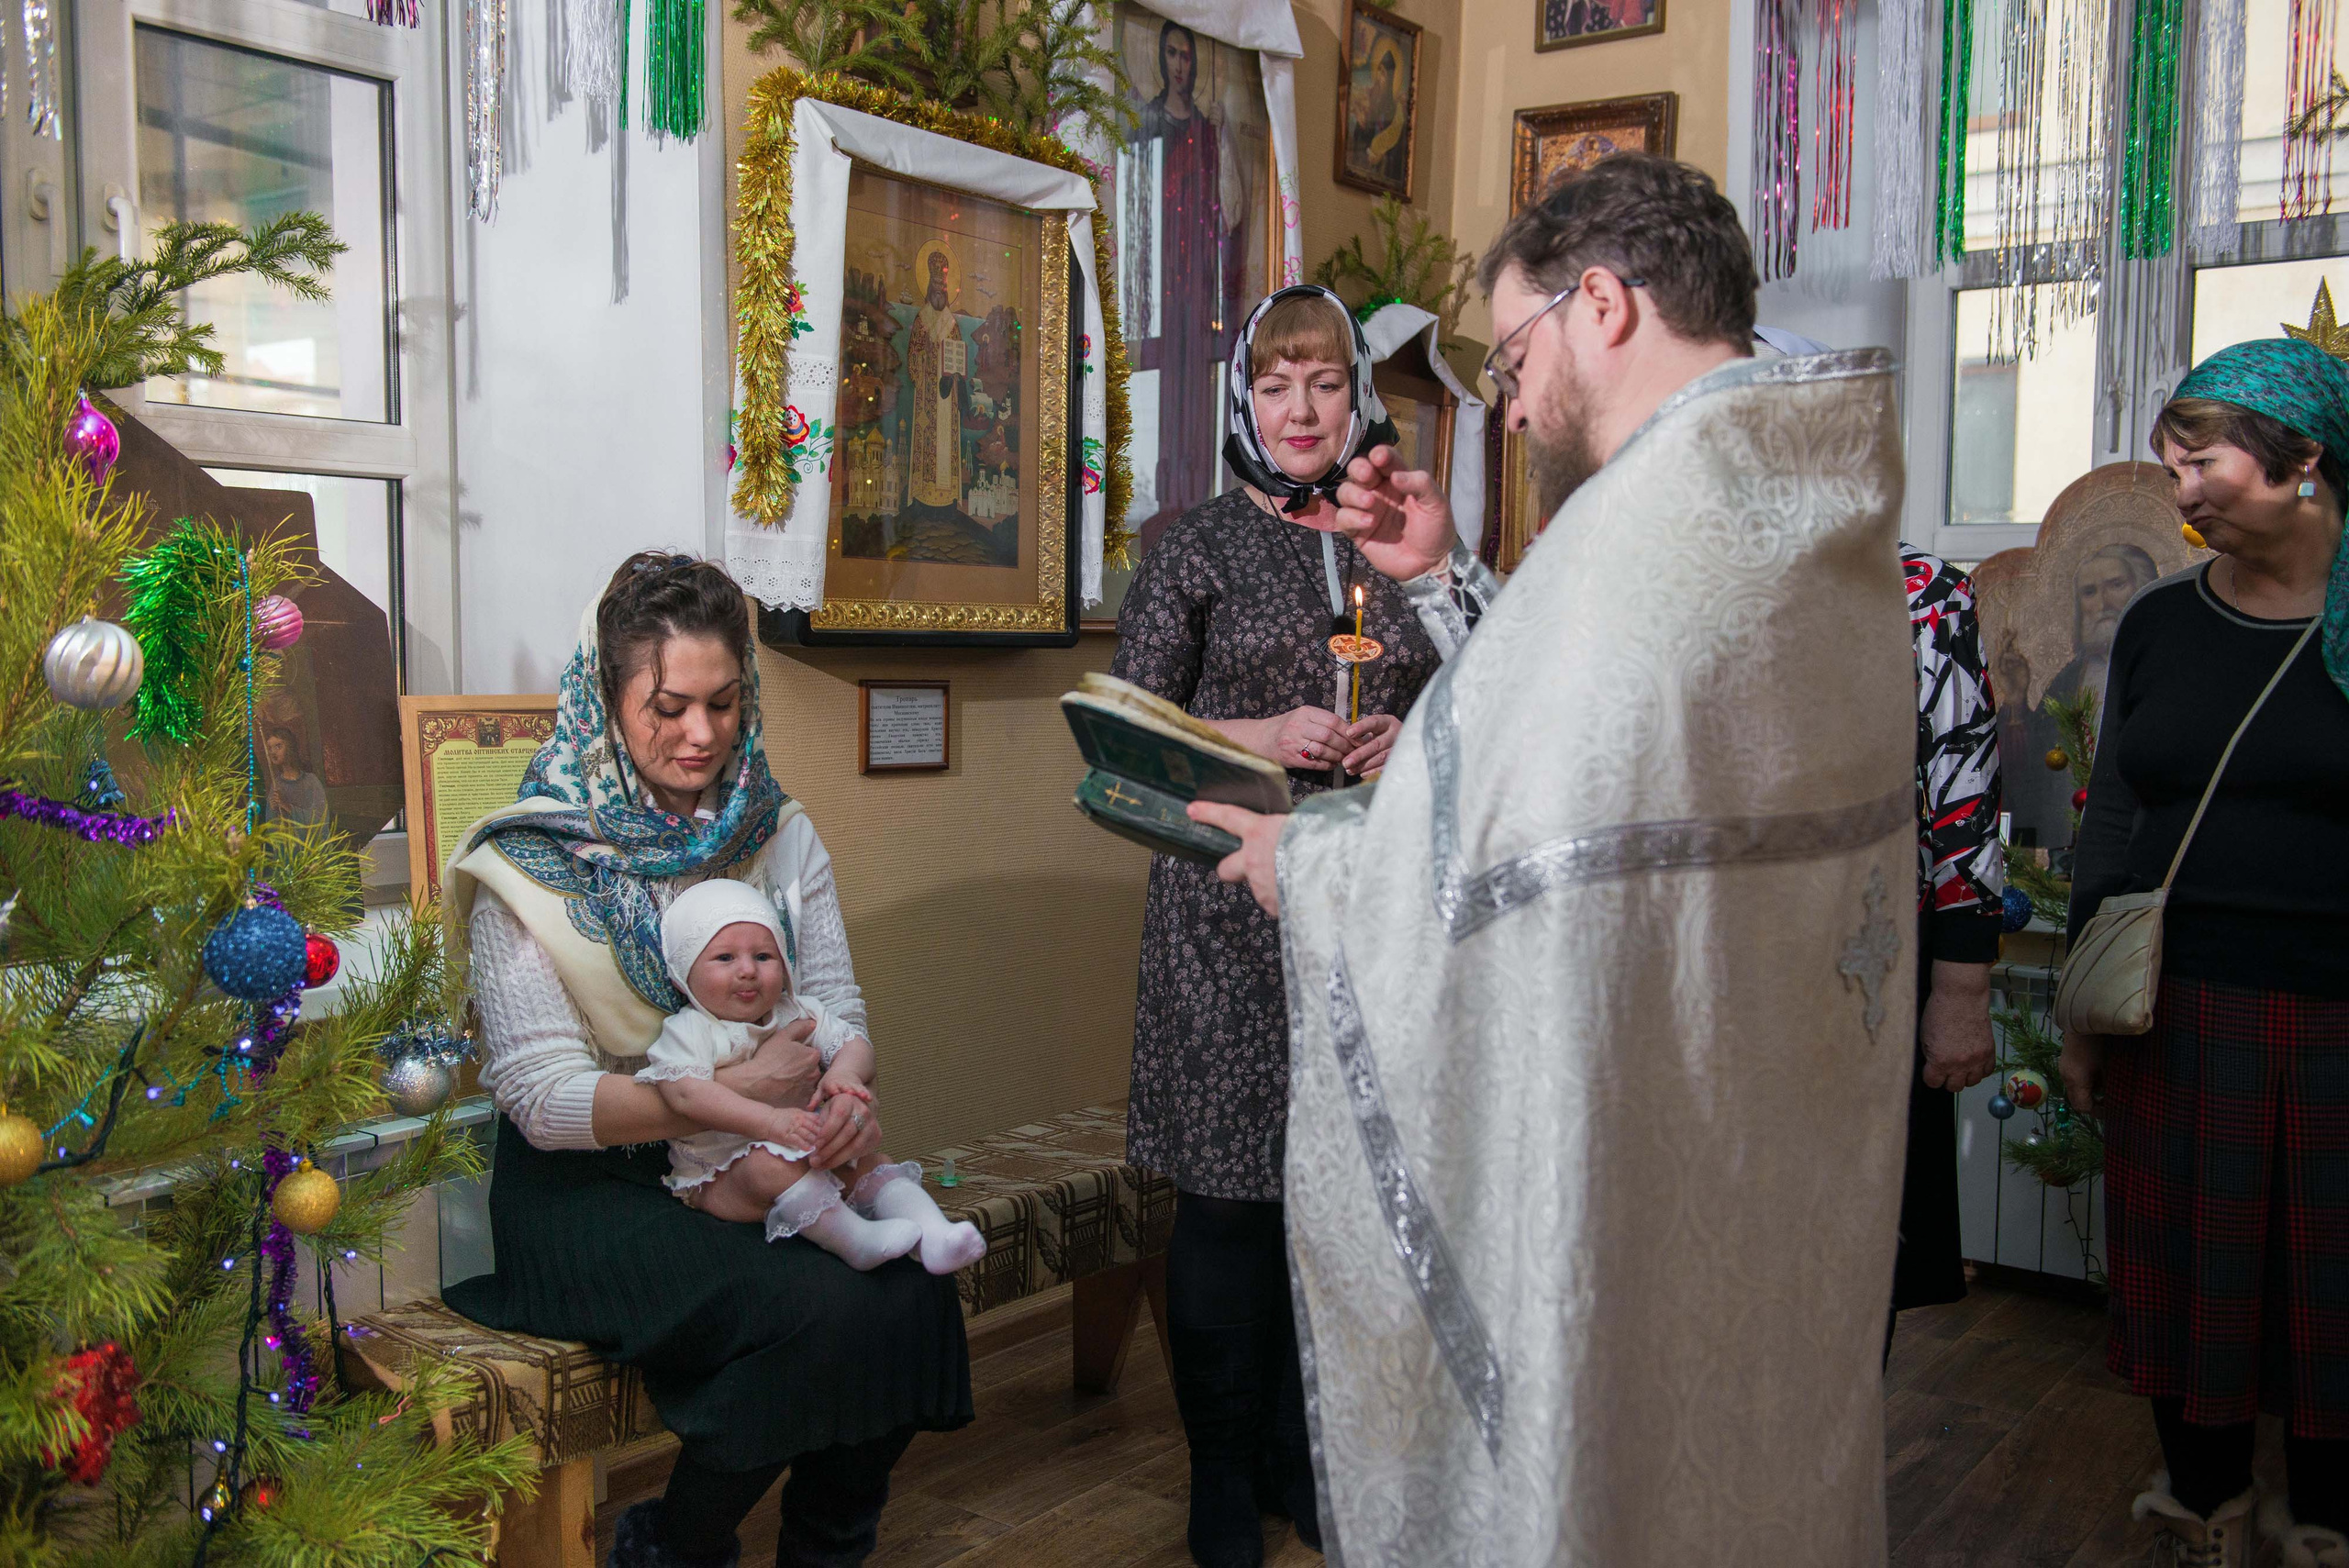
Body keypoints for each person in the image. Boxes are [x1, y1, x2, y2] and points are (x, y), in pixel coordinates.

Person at [1190, 152, 1916, 1563]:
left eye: (1515, 352)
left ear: (1602, 305)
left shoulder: (1641, 542)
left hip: (1640, 1175)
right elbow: (1595, 769)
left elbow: (1516, 831)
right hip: (1761, 1161)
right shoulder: (1793, 514)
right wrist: (1448, 576)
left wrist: (1315, 867)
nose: (1511, 401)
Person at [443, 552, 971, 1568]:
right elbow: (543, 1100)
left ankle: (826, 1548)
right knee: (813, 1306)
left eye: (724, 703)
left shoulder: (776, 833)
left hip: (765, 1159)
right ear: (607, 698)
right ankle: (677, 1544)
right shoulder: (526, 861)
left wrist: (848, 1093)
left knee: (911, 1287)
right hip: (591, 1194)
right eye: (668, 707)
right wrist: (732, 1098)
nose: (701, 734)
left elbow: (839, 1008)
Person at [1110, 285, 1442, 1568]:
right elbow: (1126, 738)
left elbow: (1476, 705)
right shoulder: (1189, 548)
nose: (1299, 413)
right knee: (1235, 1206)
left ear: (1356, 397)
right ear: (1243, 399)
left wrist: (1406, 736)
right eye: (1273, 389)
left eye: (1322, 386)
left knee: (1343, 1204)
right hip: (1227, 916)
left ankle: (1310, 1455)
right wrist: (1260, 734)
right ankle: (1218, 1472)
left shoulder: (1395, 538)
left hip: (1374, 914)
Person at [2060, 338, 2349, 1568]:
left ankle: (2326, 1524)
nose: (2180, 490)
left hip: (2341, 1016)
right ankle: (2205, 1505)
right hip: (2177, 1012)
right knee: (2189, 1278)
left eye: (2203, 462)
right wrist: (2080, 998)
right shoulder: (2165, 624)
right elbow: (2117, 812)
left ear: (2303, 466)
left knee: (2334, 1294)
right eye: (2172, 464)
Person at [638, 878, 986, 1274]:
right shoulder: (690, 1030)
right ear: (685, 974)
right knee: (770, 1165)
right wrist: (768, 1121)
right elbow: (685, 1095)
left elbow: (856, 1045)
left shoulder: (799, 1011)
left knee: (871, 1162)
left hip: (805, 1151)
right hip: (720, 1177)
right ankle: (856, 1242)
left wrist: (844, 1075)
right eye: (725, 959)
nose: (748, 970)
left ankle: (935, 1235)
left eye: (765, 956)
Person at [1893, 544, 2004, 1328]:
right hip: (1678, 977)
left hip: (1863, 974)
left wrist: (1963, 987)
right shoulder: (1654, 558)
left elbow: (1964, 790)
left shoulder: (1919, 589)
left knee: (1857, 1261)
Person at [1132, 17, 1245, 549]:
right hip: (1157, 292)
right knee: (1161, 394)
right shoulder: (1147, 121)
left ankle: (1196, 505)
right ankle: (1162, 506)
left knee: (1196, 398)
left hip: (1198, 289)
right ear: (1161, 60)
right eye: (1172, 55)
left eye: (1187, 57)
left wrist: (1221, 138)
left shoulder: (1206, 129)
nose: (1179, 66)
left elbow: (1232, 213)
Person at [262, 726, 328, 828]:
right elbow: (273, 827)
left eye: (278, 746)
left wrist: (287, 806)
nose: (273, 752)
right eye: (270, 748)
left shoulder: (310, 781)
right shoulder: (276, 784)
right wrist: (274, 809)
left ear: (289, 747)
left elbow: (320, 818)